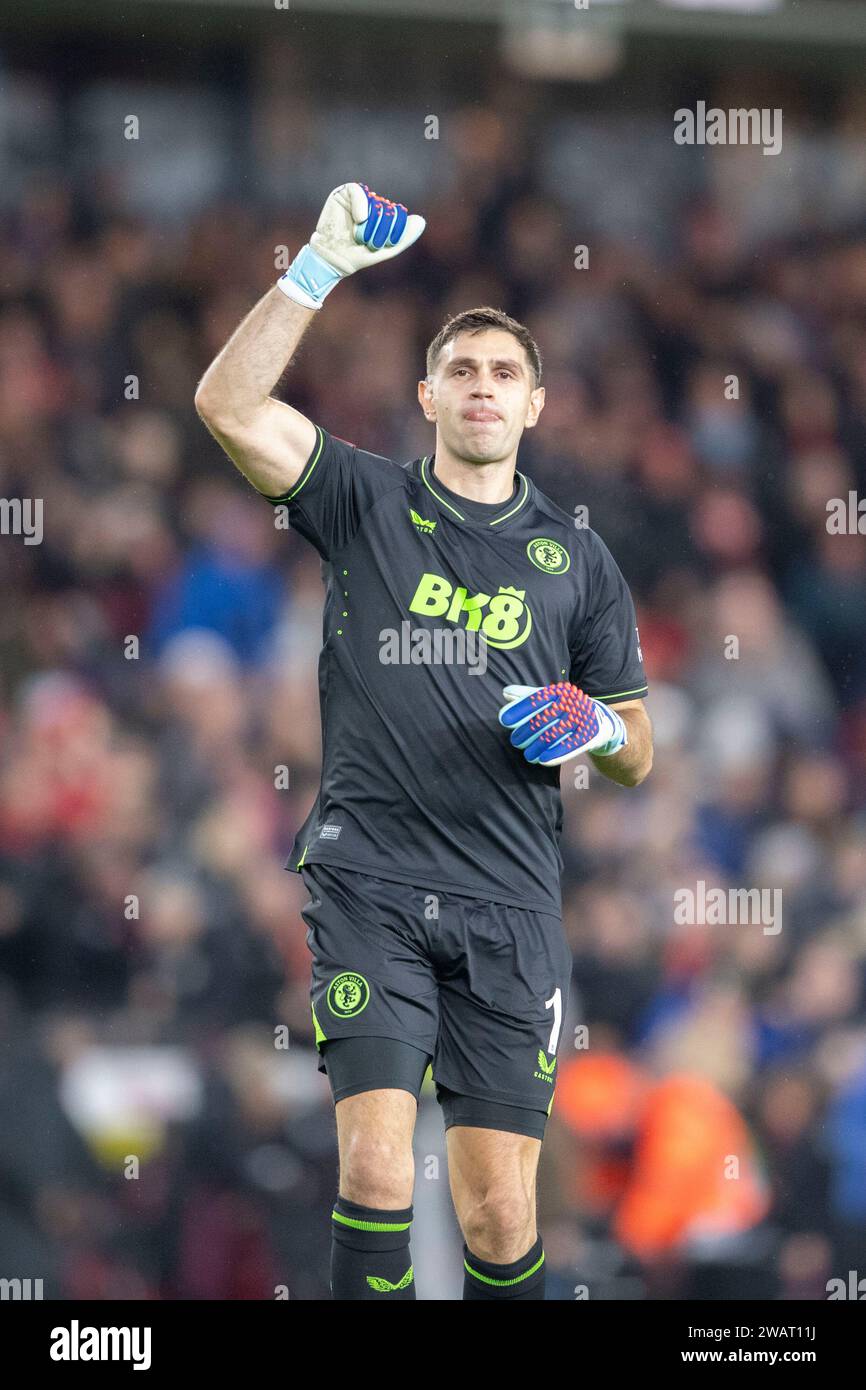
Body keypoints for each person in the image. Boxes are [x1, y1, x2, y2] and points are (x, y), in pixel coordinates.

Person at [195, 182, 653, 1300]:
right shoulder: (364, 500)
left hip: (509, 901)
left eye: (503, 373)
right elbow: (227, 405)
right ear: (427, 395)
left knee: (498, 1211)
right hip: (370, 881)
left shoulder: (576, 560)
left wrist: (596, 723)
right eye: (462, 370)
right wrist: (316, 266)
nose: (482, 387)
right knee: (377, 1160)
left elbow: (639, 747)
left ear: (535, 405)